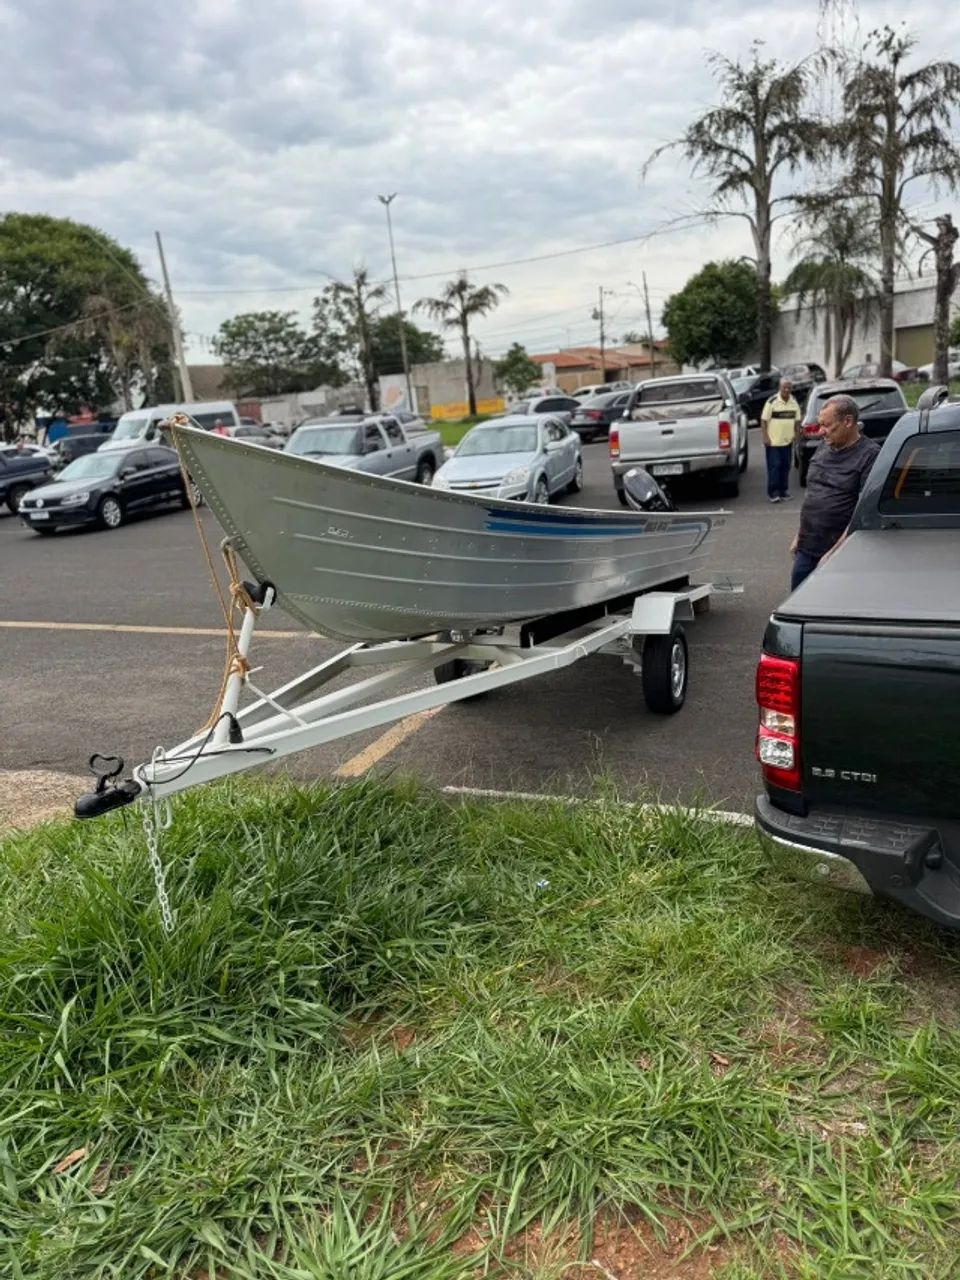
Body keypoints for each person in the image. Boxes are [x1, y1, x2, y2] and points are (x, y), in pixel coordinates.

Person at [789, 393, 880, 591]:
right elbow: (814, 492)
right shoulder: (825, 446)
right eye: (820, 424)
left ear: (848, 421)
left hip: (839, 554)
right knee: (797, 605)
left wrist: (834, 554)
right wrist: (799, 535)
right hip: (806, 547)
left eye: (827, 425)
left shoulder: (869, 455)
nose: (821, 431)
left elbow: (862, 512)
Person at [761, 377, 801, 503]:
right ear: (780, 388)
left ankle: (783, 492)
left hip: (787, 442)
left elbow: (797, 421)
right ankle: (773, 493)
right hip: (773, 443)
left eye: (789, 387)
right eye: (784, 387)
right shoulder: (772, 401)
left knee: (785, 467)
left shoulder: (794, 402)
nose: (787, 389)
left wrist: (797, 435)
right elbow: (763, 420)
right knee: (774, 467)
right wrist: (765, 436)